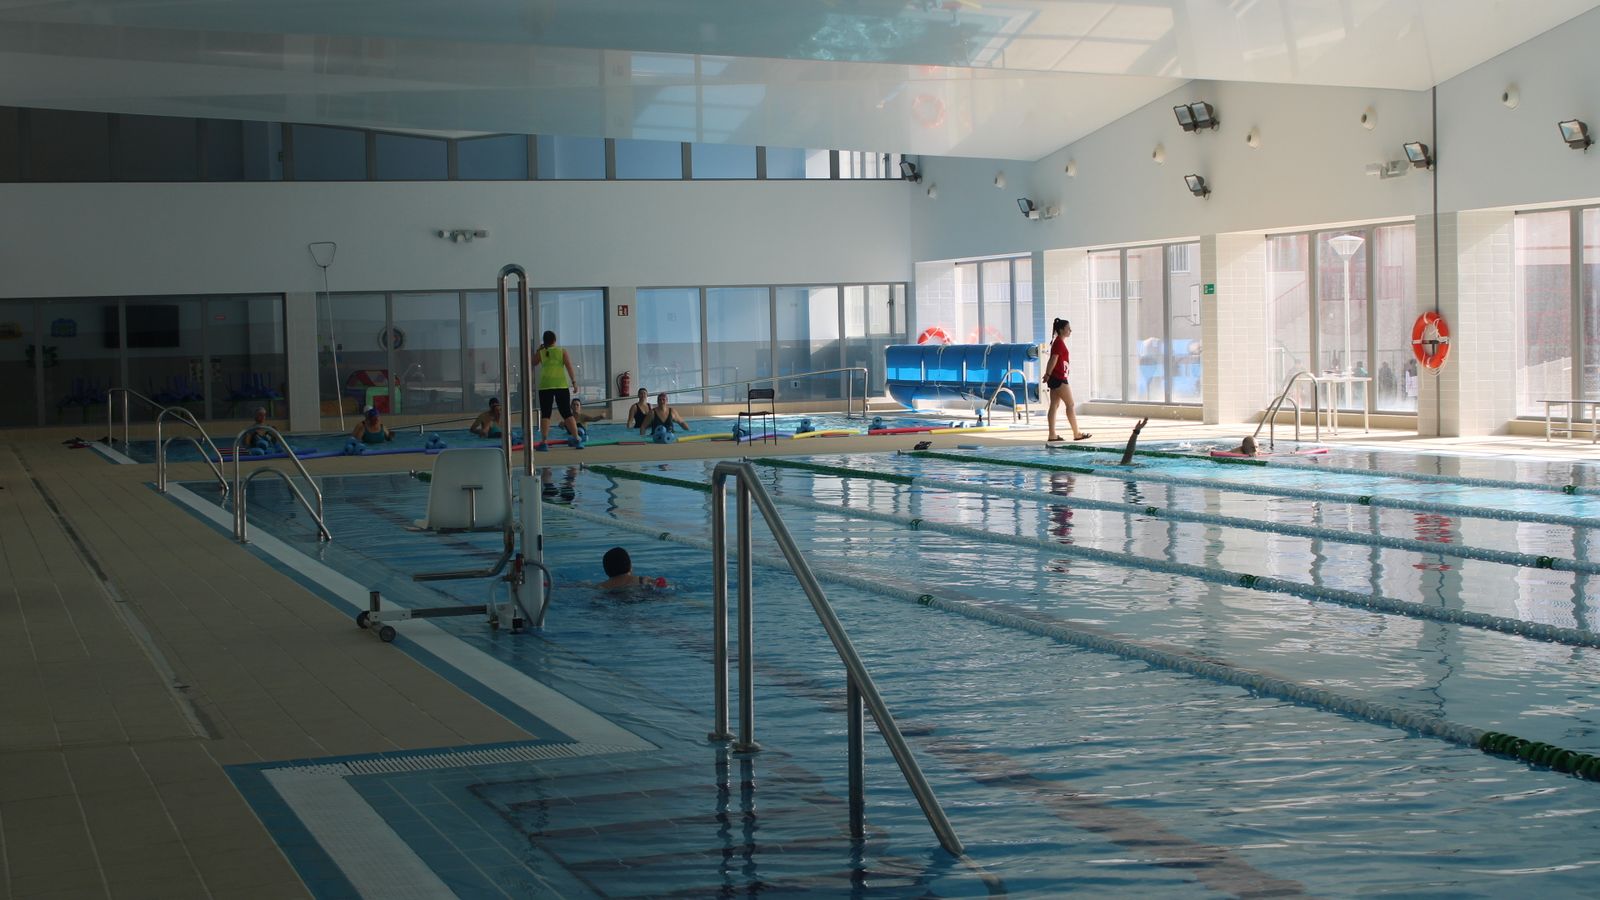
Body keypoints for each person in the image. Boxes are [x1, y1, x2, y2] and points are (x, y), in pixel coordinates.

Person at [1043, 318, 1091, 443]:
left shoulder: (1058, 342)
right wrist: (1047, 374)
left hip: (1056, 377)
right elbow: (1053, 359)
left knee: (1054, 405)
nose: (1070, 330)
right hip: (1059, 378)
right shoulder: (1058, 343)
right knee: (1070, 404)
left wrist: (1048, 375)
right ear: (1061, 330)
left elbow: (1053, 360)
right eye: (1068, 328)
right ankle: (1077, 433)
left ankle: (1052, 435)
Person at [534, 330, 583, 451]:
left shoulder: (541, 352)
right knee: (566, 412)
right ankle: (577, 439)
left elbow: (532, 362)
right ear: (555, 340)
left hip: (545, 386)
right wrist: (574, 382)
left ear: (544, 341)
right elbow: (569, 367)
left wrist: (538, 351)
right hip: (561, 385)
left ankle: (544, 442)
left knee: (546, 414)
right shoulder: (562, 351)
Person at [598, 546, 668, 591]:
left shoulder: (600, 586)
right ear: (630, 566)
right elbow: (664, 587)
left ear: (606, 570)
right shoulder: (642, 580)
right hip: (636, 596)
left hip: (609, 597)